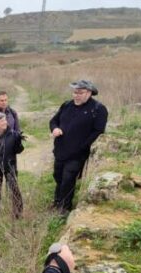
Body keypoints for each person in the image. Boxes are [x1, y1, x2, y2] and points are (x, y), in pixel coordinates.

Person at [50, 79, 108, 213]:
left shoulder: (98, 109)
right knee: (58, 177)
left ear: (89, 93)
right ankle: (57, 202)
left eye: (80, 93)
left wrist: (82, 147)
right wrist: (55, 129)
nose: (76, 95)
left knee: (68, 179)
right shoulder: (67, 105)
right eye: (74, 92)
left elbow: (98, 131)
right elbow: (53, 121)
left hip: (78, 154)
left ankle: (64, 208)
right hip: (60, 150)